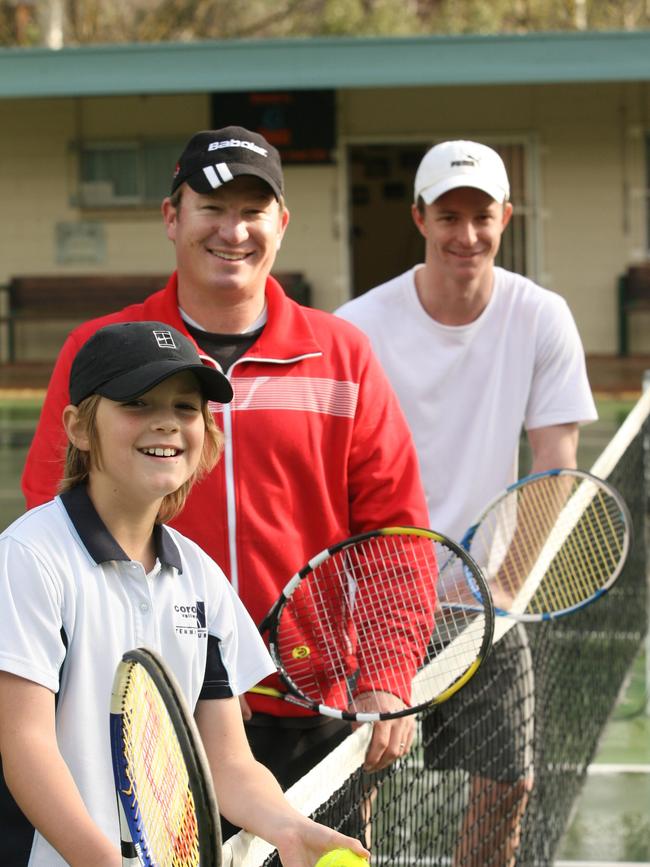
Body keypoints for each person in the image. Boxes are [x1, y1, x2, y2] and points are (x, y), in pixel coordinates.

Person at [21, 127, 429, 832]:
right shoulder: (98, 354)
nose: (232, 230)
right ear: (172, 216)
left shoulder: (344, 355)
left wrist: (388, 670)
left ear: (282, 224)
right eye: (212, 206)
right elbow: (55, 519)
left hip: (317, 713)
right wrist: (167, 677)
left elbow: (396, 536)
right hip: (155, 722)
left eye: (253, 209)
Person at [0, 321, 369, 867]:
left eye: (185, 407)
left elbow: (226, 762)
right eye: (138, 404)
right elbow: (26, 748)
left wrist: (289, 828)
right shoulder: (28, 558)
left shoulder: (199, 576)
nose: (166, 424)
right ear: (79, 428)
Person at [336, 140, 598, 866]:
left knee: (510, 782)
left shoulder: (542, 317)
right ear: (419, 217)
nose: (466, 234)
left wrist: (509, 585)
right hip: (380, 598)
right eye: (448, 215)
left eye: (482, 215)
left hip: (483, 602)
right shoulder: (358, 326)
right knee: (352, 782)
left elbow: (555, 466)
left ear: (507, 217)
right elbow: (338, 474)